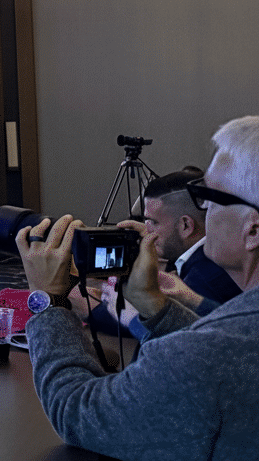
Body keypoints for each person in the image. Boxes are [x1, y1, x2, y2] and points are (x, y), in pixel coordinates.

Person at [16, 116, 259, 460]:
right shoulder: (234, 337)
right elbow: (230, 335)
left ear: (253, 231)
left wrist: (50, 301)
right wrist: (156, 308)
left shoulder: (206, 356)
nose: (202, 213)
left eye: (207, 197)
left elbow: (78, 412)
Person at [91, 167, 241, 336]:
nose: (146, 231)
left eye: (152, 222)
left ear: (185, 226)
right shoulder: (221, 260)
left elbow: (181, 348)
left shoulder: (200, 280)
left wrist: (130, 317)